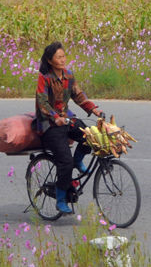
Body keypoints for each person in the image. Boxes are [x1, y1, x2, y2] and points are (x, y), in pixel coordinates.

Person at [34, 41, 102, 214]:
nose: (63, 59)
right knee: (65, 162)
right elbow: (42, 102)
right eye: (59, 57)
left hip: (66, 119)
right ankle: (61, 197)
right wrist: (55, 118)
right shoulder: (45, 78)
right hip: (49, 125)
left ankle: (78, 160)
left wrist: (92, 108)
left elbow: (78, 95)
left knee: (90, 135)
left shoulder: (68, 76)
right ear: (50, 60)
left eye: (64, 56)